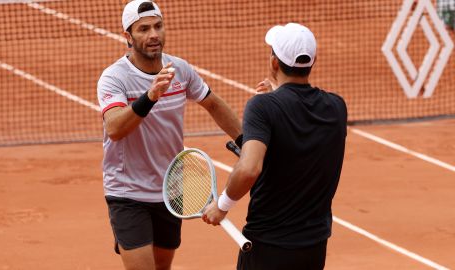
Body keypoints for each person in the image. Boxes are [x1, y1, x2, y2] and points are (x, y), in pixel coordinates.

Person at [96, 1, 242, 269]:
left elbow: (213, 103)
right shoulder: (114, 78)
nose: (153, 34)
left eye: (158, 26)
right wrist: (149, 97)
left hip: (171, 189)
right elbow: (114, 128)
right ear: (128, 37)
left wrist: (246, 143)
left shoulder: (180, 69)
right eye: (143, 29)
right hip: (128, 192)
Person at [202, 23, 347, 270]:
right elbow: (298, 139)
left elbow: (249, 169)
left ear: (274, 63)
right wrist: (277, 98)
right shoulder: (336, 107)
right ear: (312, 62)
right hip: (313, 249)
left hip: (267, 248)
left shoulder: (263, 108)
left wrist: (222, 206)